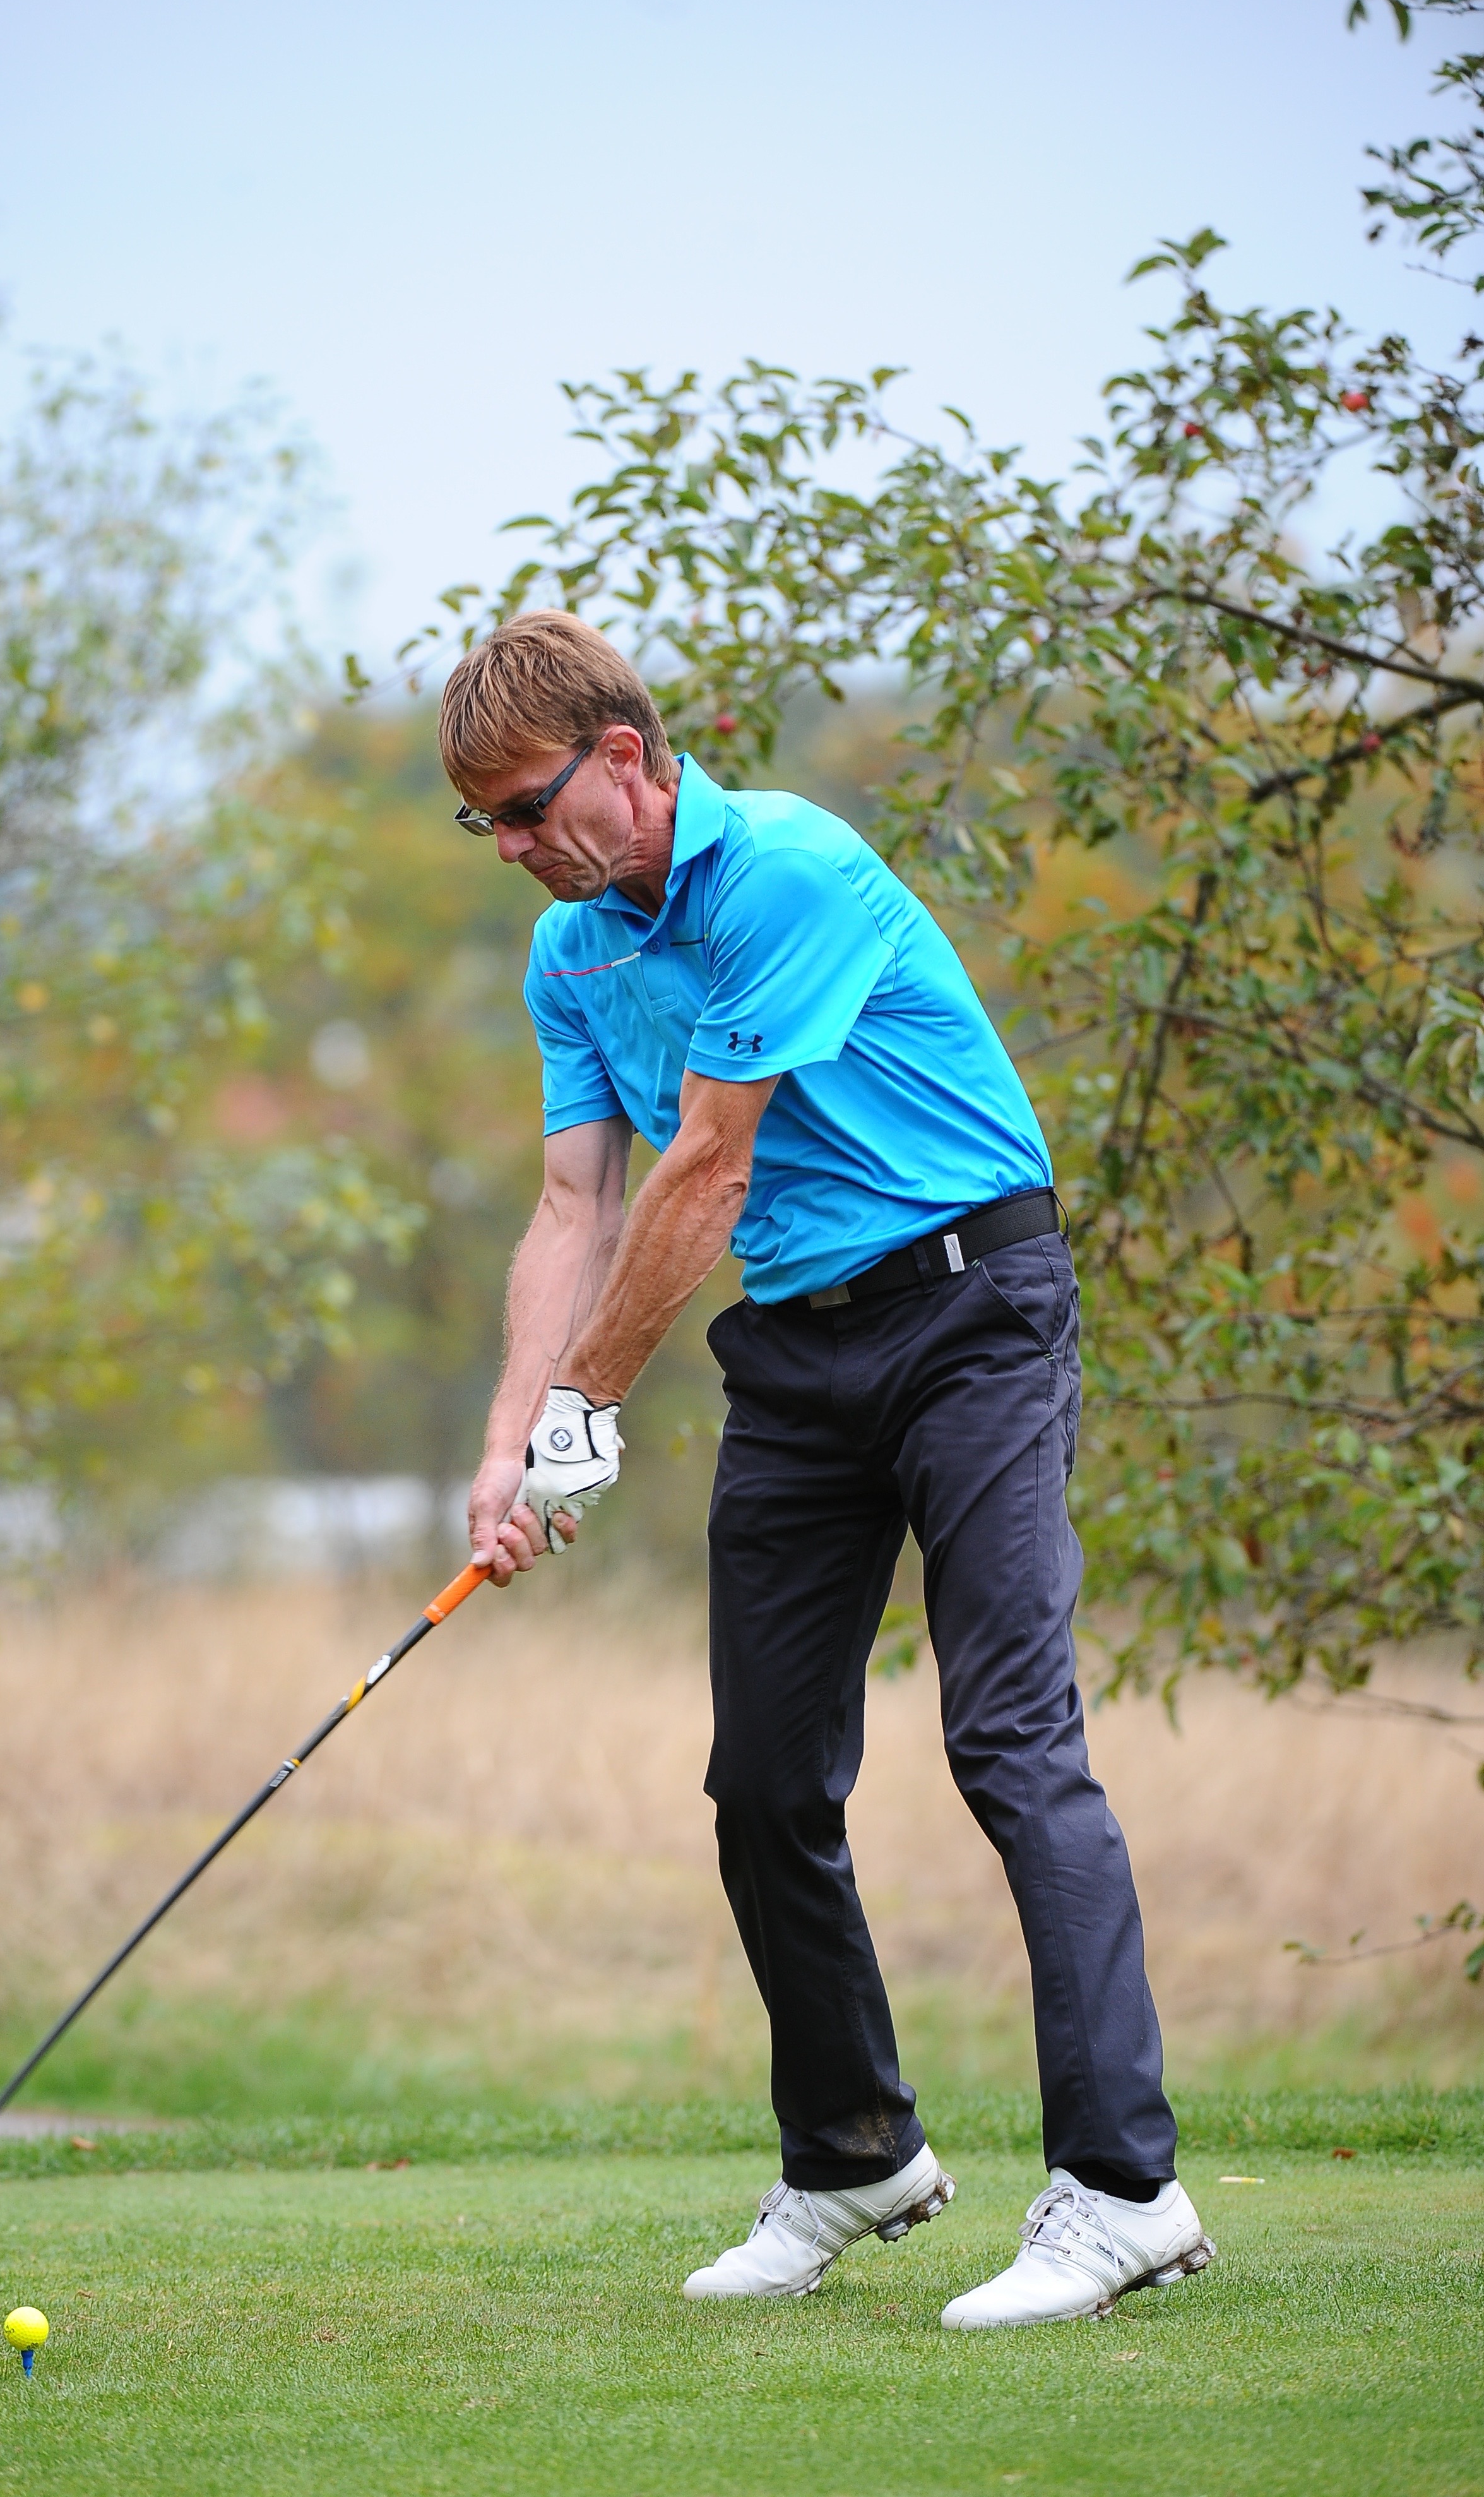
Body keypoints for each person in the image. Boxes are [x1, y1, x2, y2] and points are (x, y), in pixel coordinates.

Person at [443, 609, 1214, 2330]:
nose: (509, 847)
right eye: (482, 822)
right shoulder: (572, 953)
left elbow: (708, 1171)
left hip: (973, 1314)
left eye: (526, 807)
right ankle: (855, 2151)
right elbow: (576, 1201)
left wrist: (586, 1411)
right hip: (799, 1356)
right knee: (765, 1782)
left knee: (1010, 1742)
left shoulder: (785, 869)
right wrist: (509, 1442)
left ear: (626, 760)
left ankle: (1123, 2190)